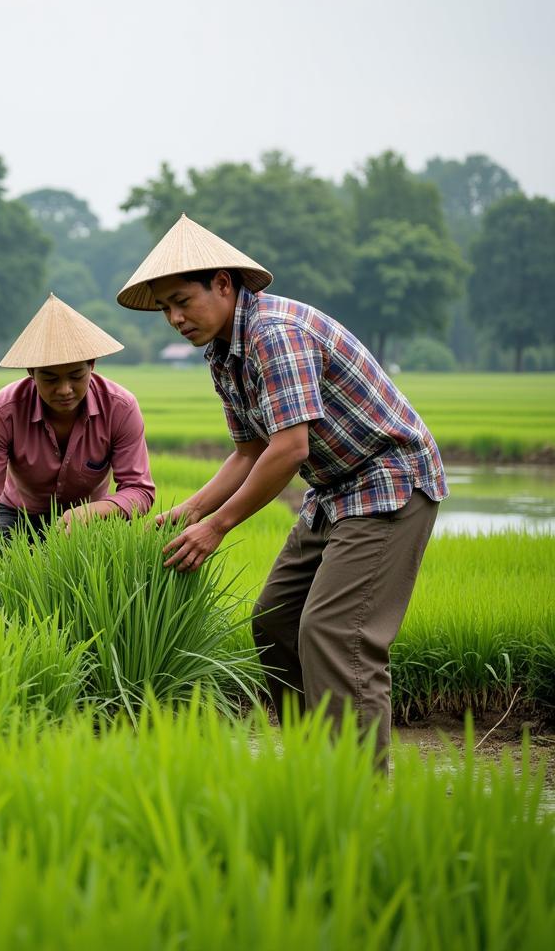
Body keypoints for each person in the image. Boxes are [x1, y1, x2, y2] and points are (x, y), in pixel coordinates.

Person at [117, 214, 447, 765]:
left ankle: (357, 783)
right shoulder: (224, 352)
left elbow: (288, 449)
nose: (174, 318)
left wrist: (217, 526)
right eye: (165, 309)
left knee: (336, 632)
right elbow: (248, 451)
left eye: (182, 301)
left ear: (224, 284)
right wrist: (187, 512)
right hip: (332, 491)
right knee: (275, 621)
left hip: (385, 481)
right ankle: (314, 762)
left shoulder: (273, 333)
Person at [0, 293, 155, 559]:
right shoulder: (3, 411)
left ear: (92, 365)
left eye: (76, 376)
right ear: (31, 372)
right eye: (50, 379)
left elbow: (139, 490)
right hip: (19, 515)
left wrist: (91, 512)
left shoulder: (120, 407)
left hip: (92, 518)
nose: (64, 390)